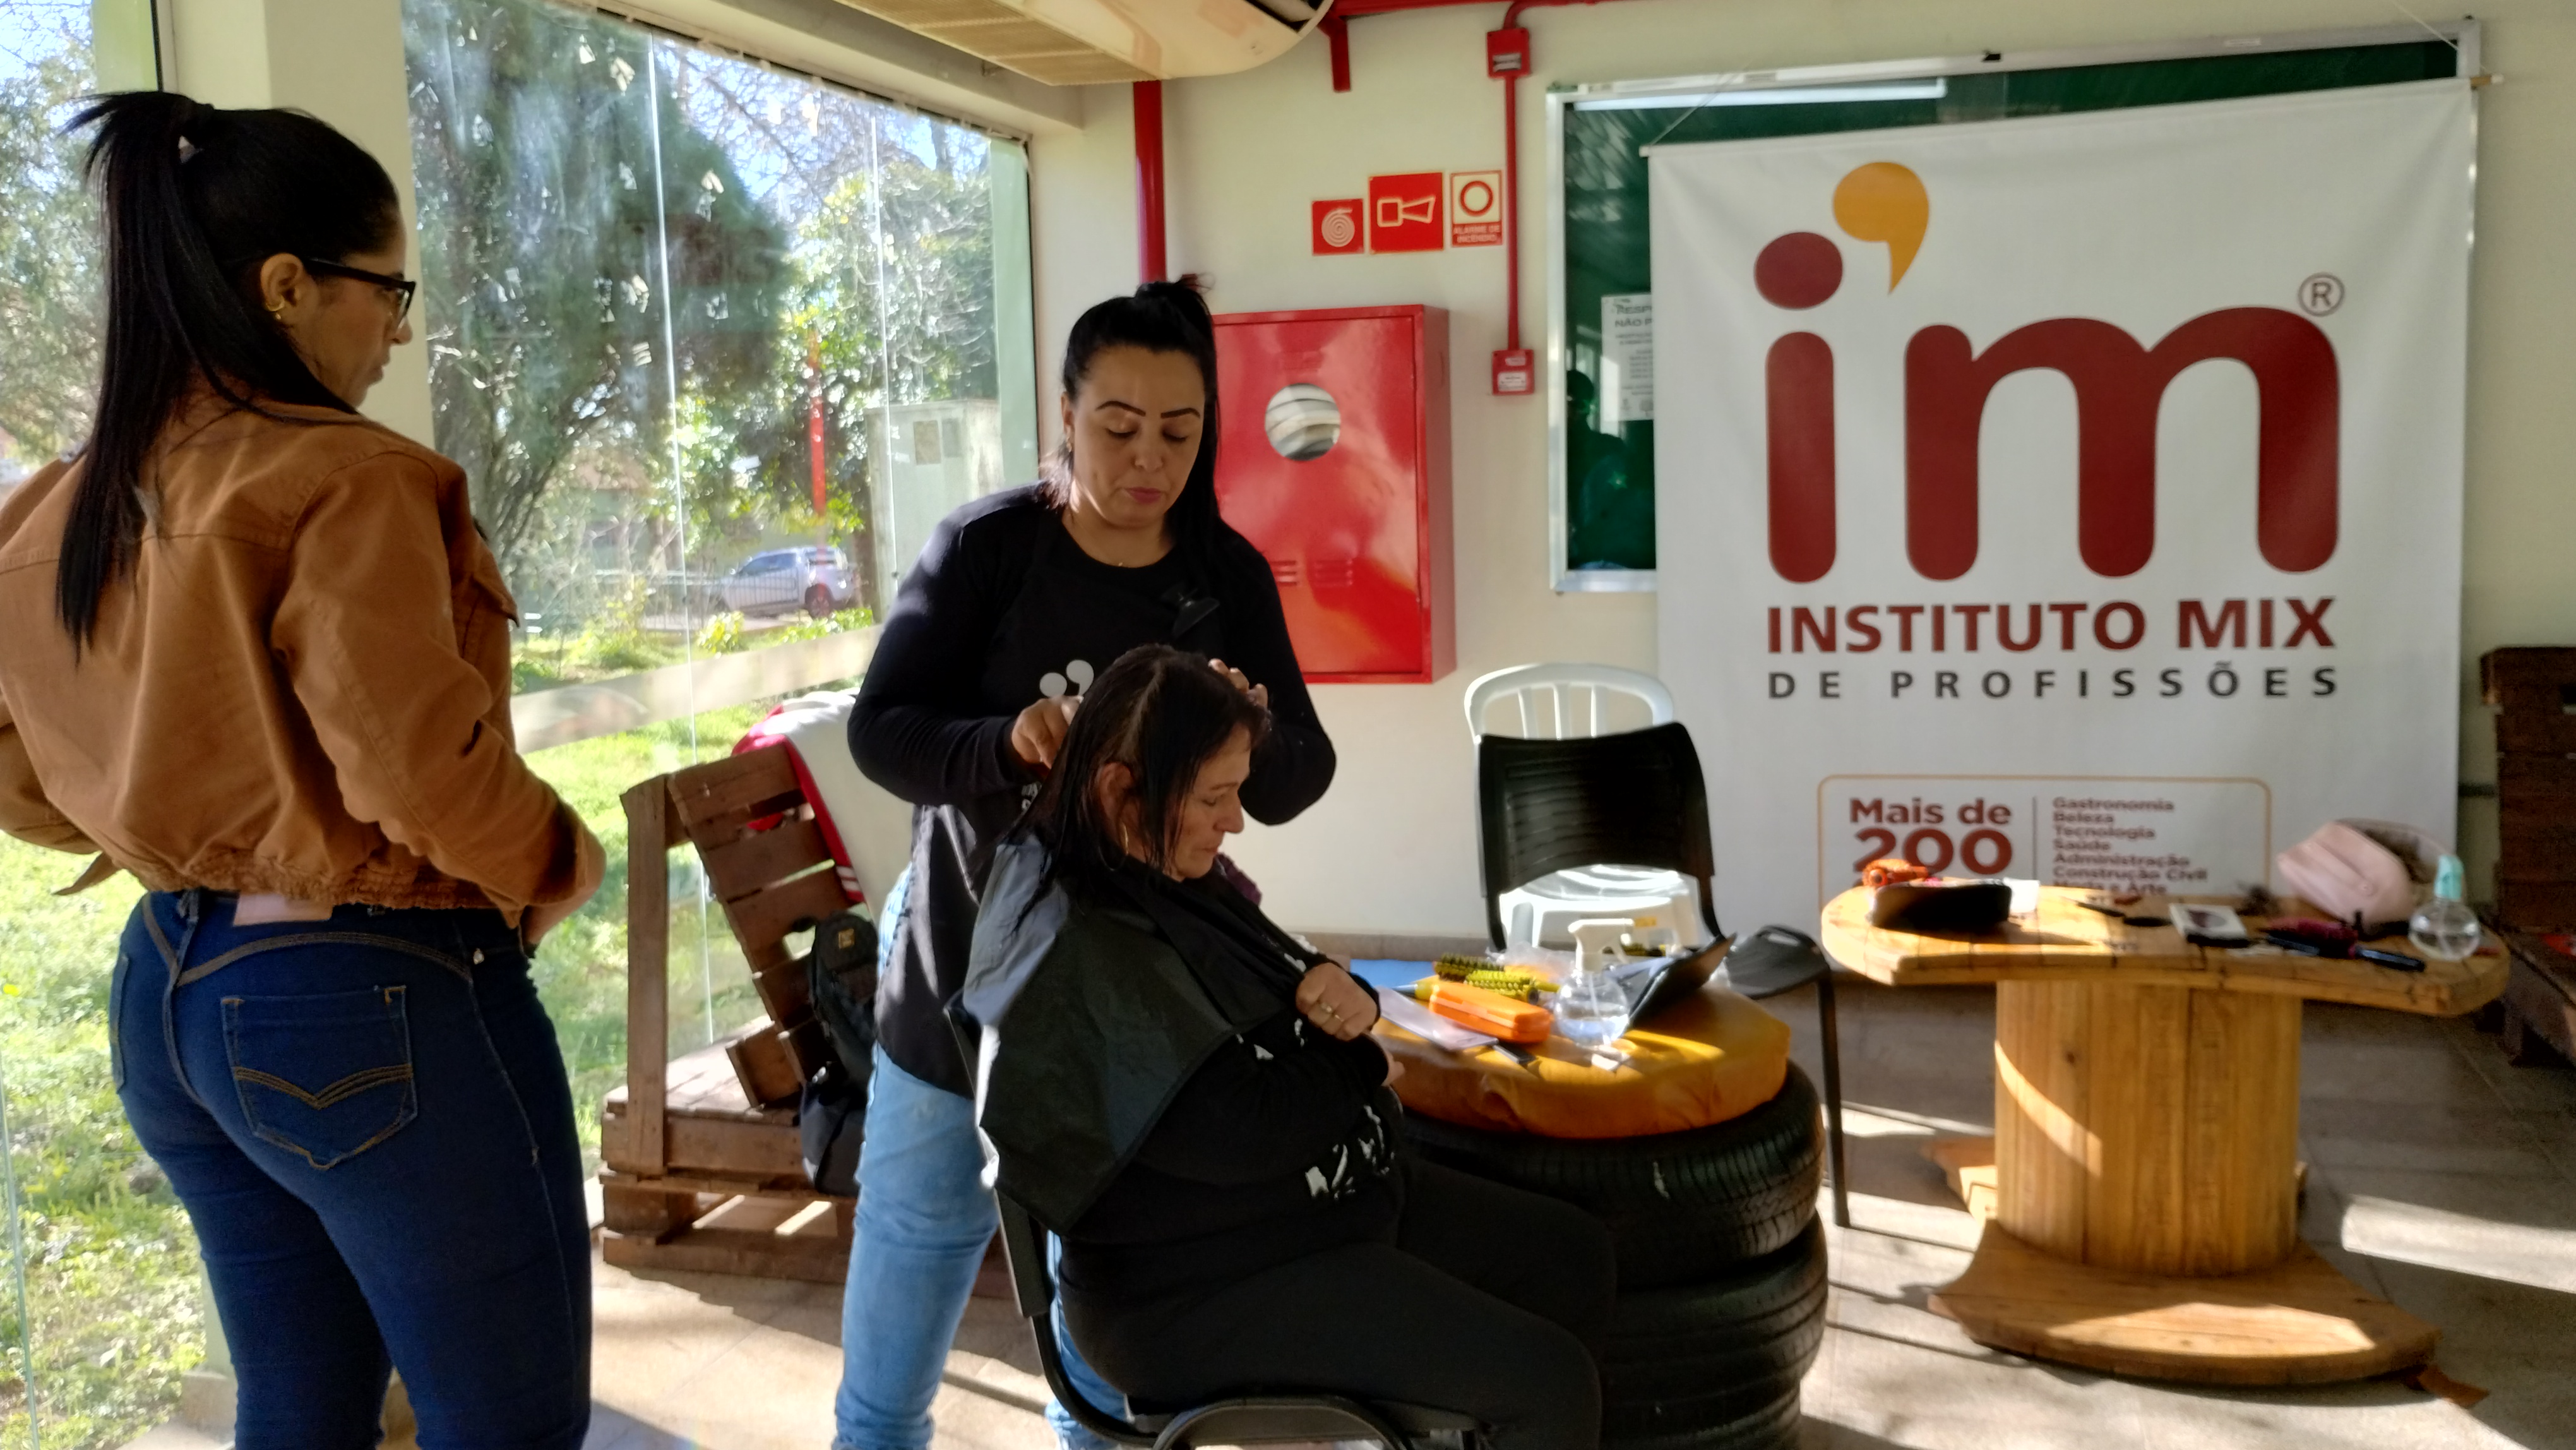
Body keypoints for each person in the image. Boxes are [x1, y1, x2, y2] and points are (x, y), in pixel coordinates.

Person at [0, 94, 604, 1448]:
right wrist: (559, 863)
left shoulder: (57, 506)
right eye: (388, 291)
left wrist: (164, 811)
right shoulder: (347, 477)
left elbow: (19, 769)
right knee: (507, 1422)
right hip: (363, 995)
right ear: (286, 285)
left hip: (167, 994)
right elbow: (410, 764)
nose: (399, 331)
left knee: (300, 1405)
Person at [838, 279, 1336, 1450]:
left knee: (1107, 1308)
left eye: (1179, 431)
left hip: (1130, 1011)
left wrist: (1253, 734)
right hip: (962, 966)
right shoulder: (988, 549)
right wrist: (1001, 744)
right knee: (916, 1248)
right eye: (1118, 426)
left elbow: (1299, 774)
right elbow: (882, 731)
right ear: (1066, 413)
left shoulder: (1223, 575)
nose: (1148, 458)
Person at [962, 645, 1614, 1450]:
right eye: (1215, 797)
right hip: (1192, 1290)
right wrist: (1362, 1061)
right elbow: (1246, 1129)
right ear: (1118, 789)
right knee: (1549, 1384)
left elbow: (1286, 976)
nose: (1235, 820)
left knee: (1574, 1256)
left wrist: (1332, 991)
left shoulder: (1147, 861)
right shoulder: (1080, 943)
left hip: (1306, 1209)